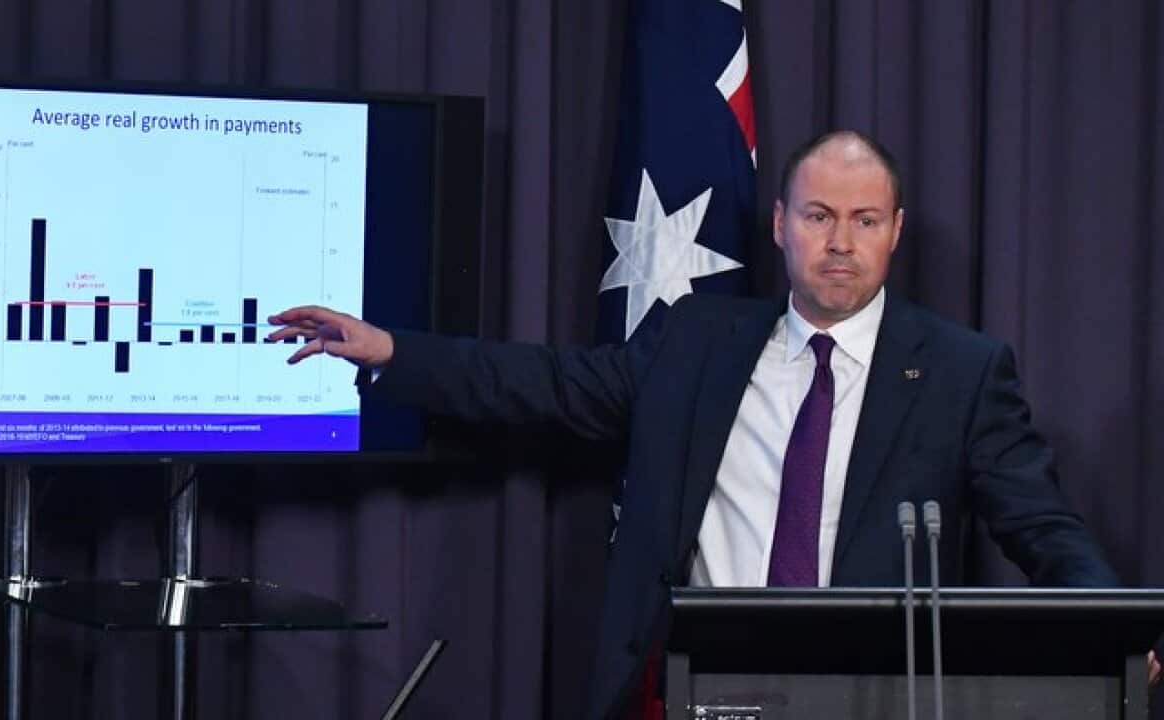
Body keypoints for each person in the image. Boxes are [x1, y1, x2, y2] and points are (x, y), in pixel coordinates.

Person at [268, 130, 1132, 719]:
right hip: (693, 687)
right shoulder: (697, 338)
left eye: (864, 220)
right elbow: (547, 383)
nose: (840, 242)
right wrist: (390, 351)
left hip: (867, 694)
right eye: (820, 217)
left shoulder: (961, 369)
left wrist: (1116, 632)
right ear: (782, 225)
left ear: (895, 232)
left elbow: (1041, 522)